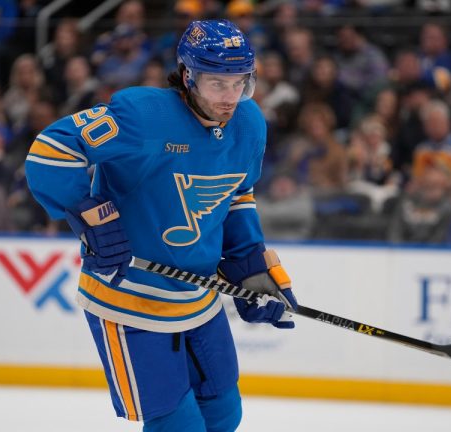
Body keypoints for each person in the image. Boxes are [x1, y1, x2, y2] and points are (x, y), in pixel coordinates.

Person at [25, 20, 298, 431]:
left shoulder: (249, 123)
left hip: (200, 298)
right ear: (188, 76)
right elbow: (50, 152)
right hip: (129, 299)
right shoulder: (144, 117)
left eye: (241, 83)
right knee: (179, 426)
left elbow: (237, 192)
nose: (231, 98)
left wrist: (249, 262)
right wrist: (92, 215)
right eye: (217, 84)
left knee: (224, 416)